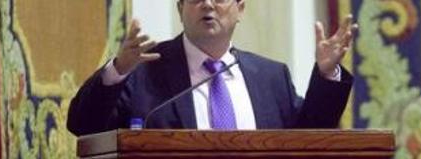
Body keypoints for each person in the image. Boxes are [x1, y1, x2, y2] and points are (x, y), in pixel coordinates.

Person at [67, 0, 357, 136]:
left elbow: (312, 134)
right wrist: (118, 69)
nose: (207, 4)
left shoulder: (271, 77)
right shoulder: (143, 71)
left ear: (240, 9)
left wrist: (327, 74)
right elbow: (83, 125)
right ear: (180, 9)